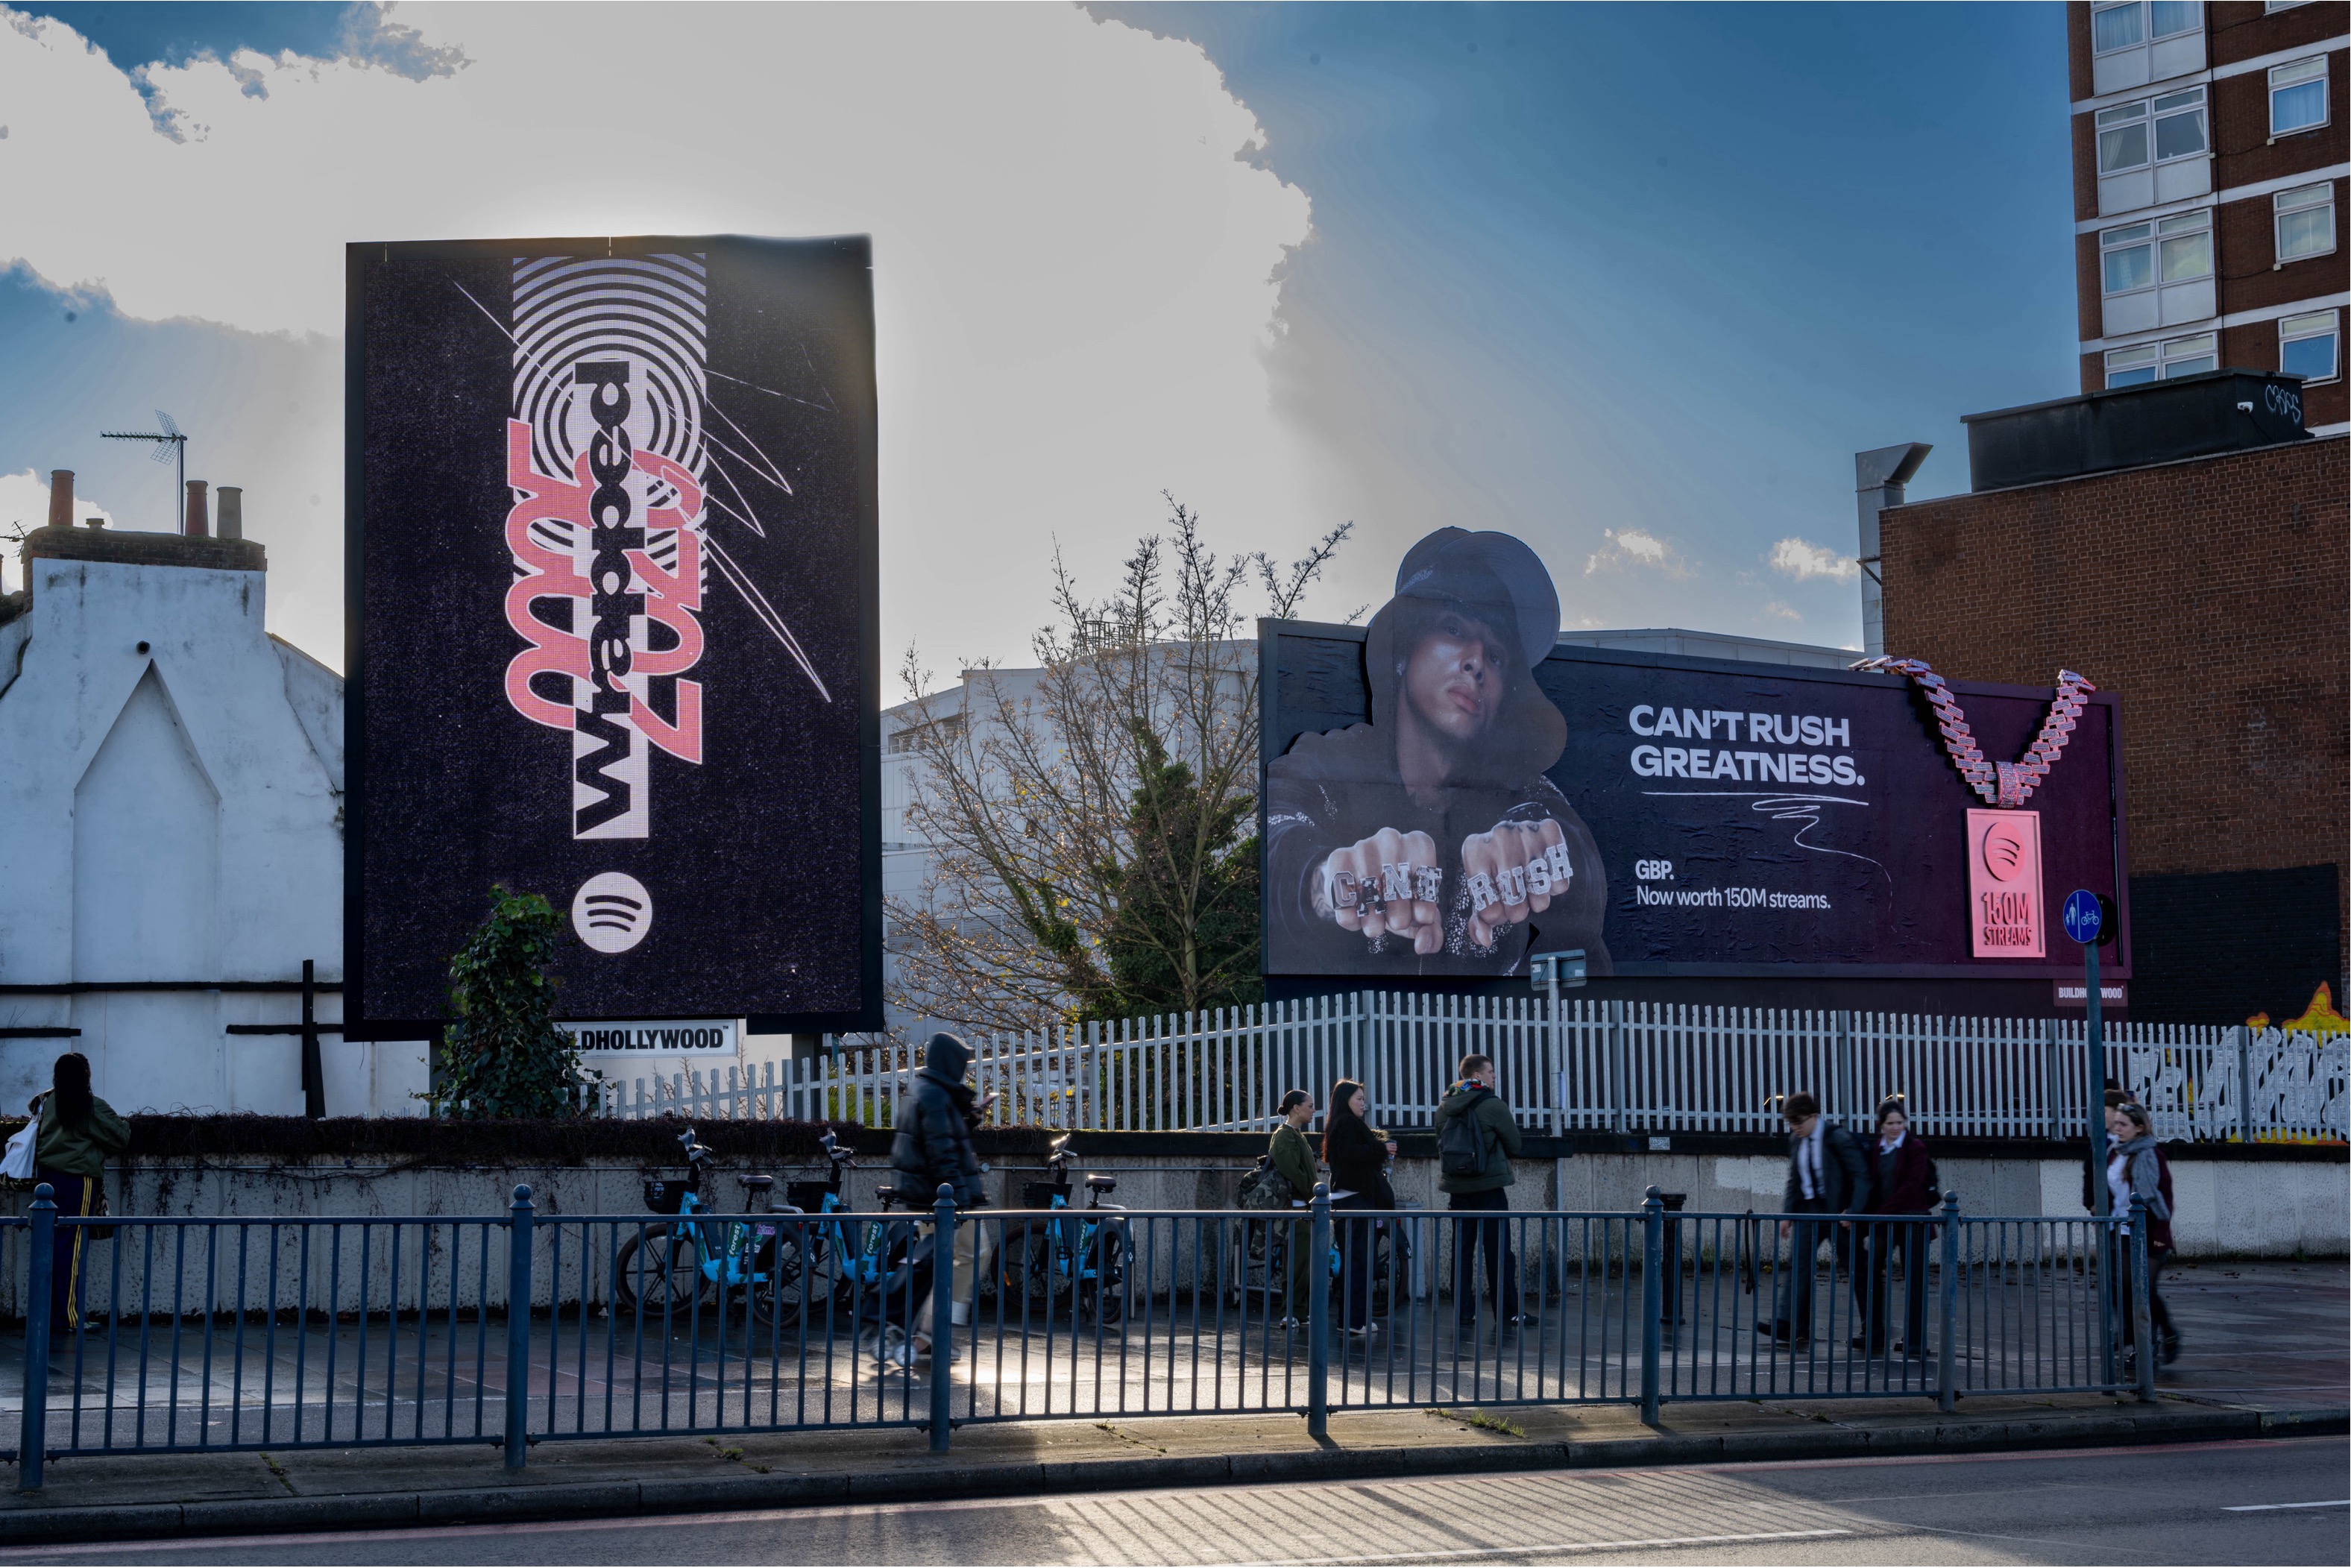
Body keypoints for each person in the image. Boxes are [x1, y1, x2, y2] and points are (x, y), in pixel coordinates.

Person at [1265, 528, 1612, 978]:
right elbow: (1276, 833)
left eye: (1496, 656)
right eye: (1454, 629)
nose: (1476, 662)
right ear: (1403, 654)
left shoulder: (1521, 791)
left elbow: (1584, 881)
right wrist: (1329, 879)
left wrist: (1539, 849)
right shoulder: (1331, 764)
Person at [889, 1032, 993, 1362]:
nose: (964, 1070)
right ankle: (929, 1335)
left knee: (939, 1266)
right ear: (950, 1062)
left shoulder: (923, 1089)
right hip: (944, 1202)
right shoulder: (936, 1096)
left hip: (925, 1198)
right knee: (975, 1255)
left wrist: (970, 1118)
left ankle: (923, 1335)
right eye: (961, 1063)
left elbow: (940, 1139)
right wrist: (958, 1204)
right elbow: (943, 1156)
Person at [1761, 1091, 1870, 1350]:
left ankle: (1873, 1328)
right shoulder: (1796, 1140)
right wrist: (1788, 1215)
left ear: (1814, 1116)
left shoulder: (1837, 1138)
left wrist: (1854, 1211)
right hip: (1809, 1211)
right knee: (1799, 1266)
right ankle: (1789, 1324)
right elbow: (1794, 1180)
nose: (1795, 1128)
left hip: (1838, 1213)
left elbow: (1861, 1175)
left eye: (1799, 1122)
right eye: (1791, 1123)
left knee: (1857, 1269)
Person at [30, 1053, 129, 1332]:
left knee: (49, 1247)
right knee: (72, 1248)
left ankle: (49, 1315)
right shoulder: (89, 1105)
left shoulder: (47, 1102)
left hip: (46, 1180)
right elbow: (120, 1137)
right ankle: (69, 1318)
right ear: (86, 1074)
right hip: (78, 1179)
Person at [1436, 1054, 1527, 1331]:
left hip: (1457, 1190)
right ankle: (1508, 1313)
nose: (1494, 1076)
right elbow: (1515, 1145)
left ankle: (1464, 1314)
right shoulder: (1492, 1105)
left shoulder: (1445, 1107)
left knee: (1461, 1253)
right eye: (1490, 1072)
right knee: (1499, 1253)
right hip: (1489, 1189)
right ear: (1477, 1076)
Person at [1852, 1098, 1934, 1357]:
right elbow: (1871, 1185)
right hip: (1884, 1222)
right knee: (1870, 1272)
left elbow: (1912, 1185)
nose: (1896, 1127)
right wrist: (1858, 1212)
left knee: (1914, 1279)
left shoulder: (1915, 1148)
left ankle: (1914, 1338)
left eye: (1900, 1122)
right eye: (1891, 1123)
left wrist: (1881, 1212)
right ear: (1881, 1125)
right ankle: (1873, 1332)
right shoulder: (1877, 1149)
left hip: (1912, 1222)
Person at [2104, 1100, 2178, 1370]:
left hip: (2150, 1230)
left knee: (2143, 1289)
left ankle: (2166, 1335)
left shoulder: (2151, 1154)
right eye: (2116, 1124)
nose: (2117, 1129)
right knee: (2125, 1288)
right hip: (2123, 1229)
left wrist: (2161, 1233)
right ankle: (2138, 1340)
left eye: (2123, 1125)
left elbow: (2164, 1197)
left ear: (2138, 1127)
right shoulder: (2115, 1152)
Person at [1322, 1079, 1396, 1335]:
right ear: (1346, 1100)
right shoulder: (1346, 1123)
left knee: (1359, 1261)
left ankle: (1355, 1319)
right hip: (1354, 1200)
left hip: (1352, 1199)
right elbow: (1353, 1154)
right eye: (1359, 1099)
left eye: (1364, 1099)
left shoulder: (1342, 1123)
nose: (1364, 1104)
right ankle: (1353, 1321)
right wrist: (1380, 1148)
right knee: (1359, 1262)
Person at [1268, 1089, 1320, 1326]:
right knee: (1296, 1264)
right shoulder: (1285, 1136)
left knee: (1302, 1263)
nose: (1313, 1110)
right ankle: (1290, 1312)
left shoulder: (1296, 1135)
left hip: (1304, 1207)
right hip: (1296, 1208)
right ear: (1296, 1109)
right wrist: (1313, 1195)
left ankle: (1298, 1312)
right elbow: (1294, 1173)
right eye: (1310, 1105)